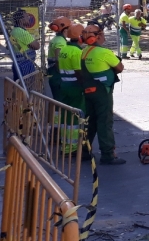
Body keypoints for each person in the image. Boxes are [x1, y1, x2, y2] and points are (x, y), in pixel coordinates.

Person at [81, 24, 126, 165]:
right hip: (102, 92)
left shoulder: (85, 52)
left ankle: (84, 151)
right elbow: (119, 68)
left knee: (90, 121)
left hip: (88, 91)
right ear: (98, 36)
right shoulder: (104, 53)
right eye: (102, 34)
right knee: (104, 122)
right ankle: (108, 154)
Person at [57, 24, 86, 155]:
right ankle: (73, 148)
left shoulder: (64, 49)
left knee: (66, 116)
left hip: (64, 85)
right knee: (75, 118)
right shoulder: (77, 52)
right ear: (80, 38)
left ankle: (65, 144)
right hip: (75, 87)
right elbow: (79, 72)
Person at [45, 16, 73, 98]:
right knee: (59, 98)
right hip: (56, 73)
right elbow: (58, 60)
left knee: (57, 97)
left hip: (53, 71)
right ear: (65, 30)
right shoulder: (60, 41)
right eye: (69, 28)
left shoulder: (57, 39)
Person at [9, 10, 40, 81]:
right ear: (21, 20)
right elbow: (36, 46)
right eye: (26, 16)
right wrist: (35, 40)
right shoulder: (21, 32)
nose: (29, 18)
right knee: (26, 88)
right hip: (24, 65)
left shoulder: (15, 30)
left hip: (20, 64)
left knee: (20, 88)